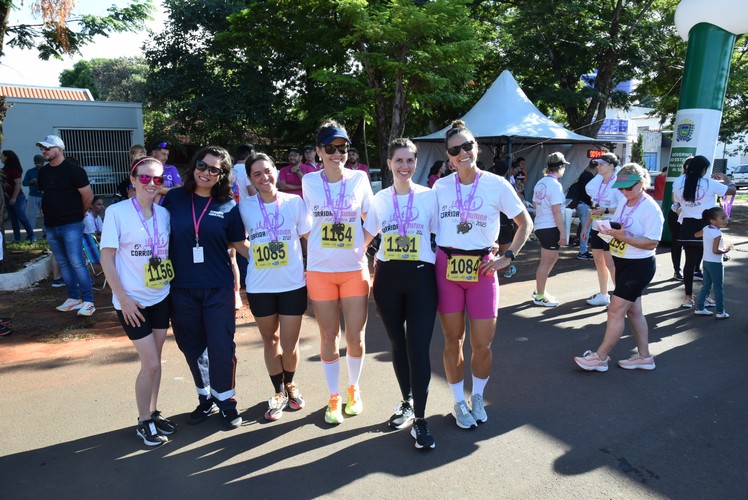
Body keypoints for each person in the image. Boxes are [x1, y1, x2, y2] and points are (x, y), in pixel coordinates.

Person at [433, 119, 532, 429]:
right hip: (447, 267)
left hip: (483, 268)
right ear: (448, 156)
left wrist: (508, 256)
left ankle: (477, 395)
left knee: (482, 344)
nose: (462, 153)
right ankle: (458, 401)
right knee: (452, 341)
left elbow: (524, 223)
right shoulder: (440, 187)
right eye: (455, 150)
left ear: (476, 147)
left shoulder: (496, 184)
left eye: (467, 146)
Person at [162, 145, 248, 429]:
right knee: (192, 346)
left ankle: (226, 401)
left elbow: (239, 244)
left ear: (223, 175)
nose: (207, 173)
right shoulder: (173, 199)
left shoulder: (228, 205)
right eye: (202, 165)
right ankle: (205, 398)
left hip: (217, 288)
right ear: (194, 166)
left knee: (222, 346)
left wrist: (281, 260)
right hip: (181, 288)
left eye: (215, 169)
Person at [363, 138, 439, 449]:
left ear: (416, 164)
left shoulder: (429, 197)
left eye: (410, 161)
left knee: (418, 347)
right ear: (390, 163)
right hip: (388, 278)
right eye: (399, 161)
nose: (404, 166)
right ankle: (407, 400)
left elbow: (442, 235)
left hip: (422, 277)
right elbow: (365, 236)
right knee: (397, 342)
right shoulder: (379, 198)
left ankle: (420, 419)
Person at [301, 120, 373, 425]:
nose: (336, 153)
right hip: (319, 271)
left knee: (355, 337)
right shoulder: (309, 182)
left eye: (342, 148)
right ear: (318, 151)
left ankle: (353, 389)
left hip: (353, 270)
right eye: (329, 148)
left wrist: (363, 246)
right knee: (329, 336)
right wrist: (316, 245)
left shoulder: (359, 179)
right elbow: (305, 225)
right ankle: (333, 396)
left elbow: (373, 219)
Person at [100, 156, 175, 446]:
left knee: (155, 363)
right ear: (133, 180)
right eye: (144, 178)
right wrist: (123, 299)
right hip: (133, 303)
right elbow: (107, 257)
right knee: (152, 364)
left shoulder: (163, 215)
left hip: (160, 296)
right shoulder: (117, 212)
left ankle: (153, 412)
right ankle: (143, 420)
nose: (151, 184)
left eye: (158, 179)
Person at [237, 153, 311, 421]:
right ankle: (278, 390)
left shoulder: (294, 202)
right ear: (250, 179)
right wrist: (254, 255)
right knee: (271, 340)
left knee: (290, 344)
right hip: (260, 286)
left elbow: (307, 237)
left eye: (267, 171)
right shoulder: (245, 207)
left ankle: (291, 384)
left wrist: (311, 267)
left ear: (275, 172)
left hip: (292, 284)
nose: (264, 177)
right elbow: (236, 241)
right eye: (257, 174)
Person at [574, 164, 663, 372]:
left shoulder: (651, 209)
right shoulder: (624, 202)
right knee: (634, 312)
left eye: (629, 187)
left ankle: (601, 357)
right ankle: (644, 357)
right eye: (621, 188)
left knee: (615, 310)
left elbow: (652, 242)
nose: (624, 192)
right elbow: (619, 227)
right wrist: (610, 232)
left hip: (639, 266)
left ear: (641, 183)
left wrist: (625, 237)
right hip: (624, 262)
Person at [36, 135, 96, 317]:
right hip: (51, 225)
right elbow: (46, 194)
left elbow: (88, 197)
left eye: (47, 148)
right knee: (63, 263)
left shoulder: (74, 170)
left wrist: (80, 213)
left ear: (59, 149)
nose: (44, 151)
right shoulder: (44, 172)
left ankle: (88, 301)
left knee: (77, 262)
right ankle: (73, 298)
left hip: (71, 224)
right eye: (42, 148)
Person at [672, 155, 736, 308]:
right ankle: (705, 296)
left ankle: (688, 298)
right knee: (707, 262)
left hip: (687, 225)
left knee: (689, 262)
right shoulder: (709, 183)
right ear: (704, 169)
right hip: (707, 225)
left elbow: (677, 201)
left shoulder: (678, 182)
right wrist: (725, 178)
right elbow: (732, 191)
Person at [581, 152, 624, 307]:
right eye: (597, 164)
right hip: (597, 226)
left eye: (601, 164)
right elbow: (594, 207)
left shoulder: (618, 183)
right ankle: (604, 294)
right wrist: (586, 226)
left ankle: (619, 297)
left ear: (612, 166)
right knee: (599, 261)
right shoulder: (597, 183)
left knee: (611, 263)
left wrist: (605, 211)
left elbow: (621, 207)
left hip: (611, 227)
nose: (597, 166)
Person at [532, 152, 568, 307]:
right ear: (559, 167)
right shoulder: (555, 185)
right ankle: (539, 295)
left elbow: (535, 204)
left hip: (541, 224)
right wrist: (562, 232)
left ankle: (540, 289)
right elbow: (556, 210)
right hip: (549, 226)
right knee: (546, 262)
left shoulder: (540, 182)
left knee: (552, 259)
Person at [693, 207, 731, 319]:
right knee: (718, 288)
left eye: (726, 217)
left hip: (706, 262)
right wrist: (725, 250)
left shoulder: (706, 228)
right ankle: (720, 311)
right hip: (716, 264)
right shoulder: (717, 233)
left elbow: (696, 235)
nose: (726, 219)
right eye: (723, 218)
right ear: (713, 220)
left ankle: (700, 308)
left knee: (706, 286)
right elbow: (716, 250)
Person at [1, 150, 36, 242]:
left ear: (7, 156)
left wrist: (14, 197)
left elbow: (18, 184)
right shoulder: (4, 170)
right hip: (7, 197)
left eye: (2, 155)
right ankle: (17, 239)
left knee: (21, 217)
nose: (1, 157)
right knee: (13, 219)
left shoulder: (14, 169)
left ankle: (32, 236)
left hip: (18, 197)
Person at [572, 160, 596, 260]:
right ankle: (583, 251)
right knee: (586, 228)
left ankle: (583, 249)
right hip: (585, 205)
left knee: (584, 227)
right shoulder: (589, 177)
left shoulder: (584, 174)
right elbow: (590, 194)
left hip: (580, 204)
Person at [22, 154, 45, 233]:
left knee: (47, 215)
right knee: (30, 216)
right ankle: (30, 233)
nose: (38, 167)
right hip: (33, 195)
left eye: (40, 165)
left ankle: (46, 233)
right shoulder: (30, 171)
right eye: (37, 165)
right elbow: (24, 183)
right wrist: (31, 181)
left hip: (45, 195)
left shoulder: (47, 171)